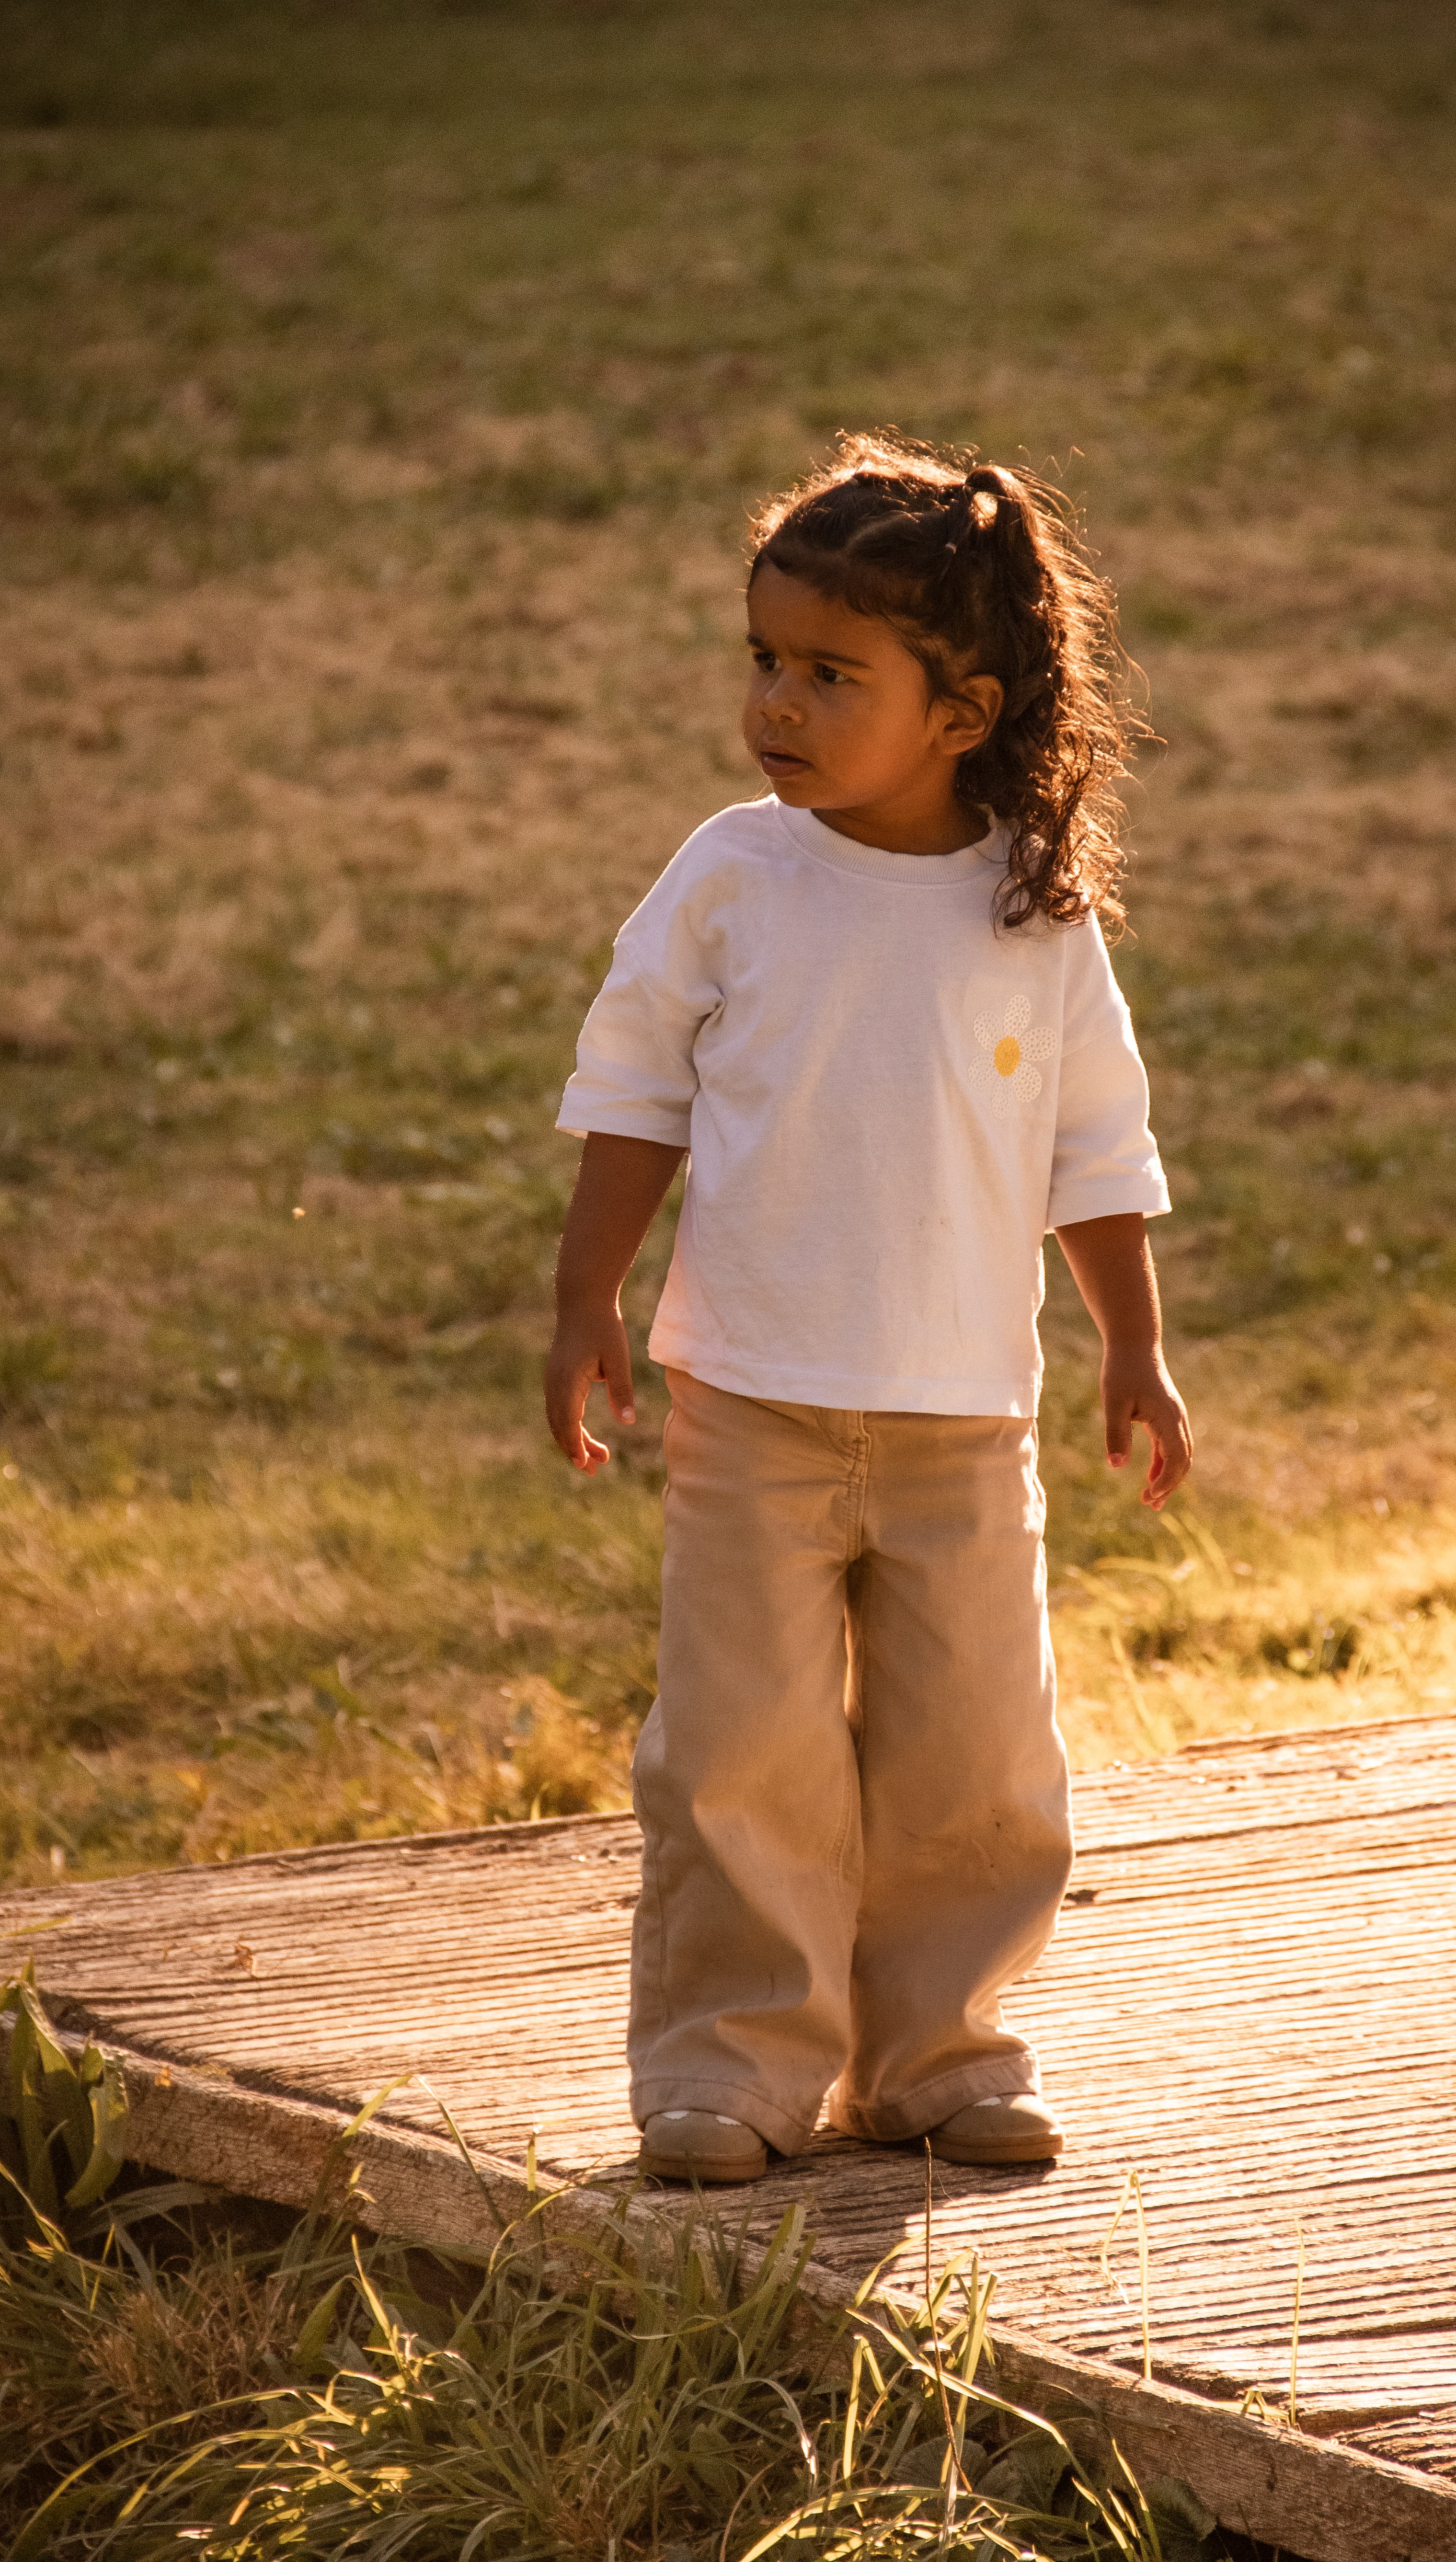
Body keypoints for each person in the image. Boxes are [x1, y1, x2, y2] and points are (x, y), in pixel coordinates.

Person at [544, 435, 1191, 2184]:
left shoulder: (1032, 915)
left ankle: (942, 2054)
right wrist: (584, 1297)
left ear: (964, 708)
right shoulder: (738, 877)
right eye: (765, 660)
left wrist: (1132, 1342)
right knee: (739, 1756)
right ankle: (731, 2072)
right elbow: (633, 1086)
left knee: (976, 1757)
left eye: (835, 675)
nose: (781, 704)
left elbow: (1096, 1144)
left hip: (965, 1422)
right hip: (749, 1403)